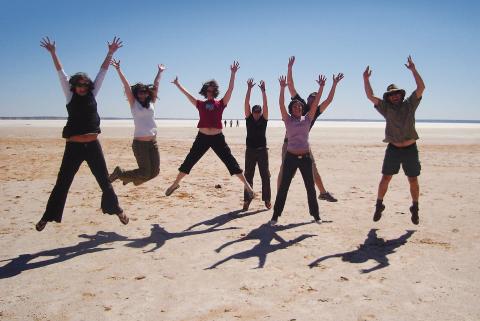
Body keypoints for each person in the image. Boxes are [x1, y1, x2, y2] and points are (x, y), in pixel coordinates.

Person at [35, 36, 128, 232]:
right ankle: (47, 216)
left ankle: (117, 209)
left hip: (93, 145)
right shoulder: (69, 95)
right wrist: (53, 53)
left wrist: (110, 52)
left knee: (104, 180)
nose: (82, 88)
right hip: (74, 147)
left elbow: (102, 72)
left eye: (85, 86)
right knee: (63, 182)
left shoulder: (93, 94)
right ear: (74, 86)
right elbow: (61, 73)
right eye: (79, 85)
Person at [164, 61, 255, 199]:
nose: (210, 92)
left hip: (218, 138)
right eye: (208, 90)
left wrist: (233, 74)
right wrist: (178, 85)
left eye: (213, 90)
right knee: (190, 160)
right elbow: (188, 95)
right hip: (202, 137)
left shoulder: (221, 103)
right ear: (205, 91)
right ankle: (175, 184)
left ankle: (248, 188)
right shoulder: (200, 104)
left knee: (231, 162)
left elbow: (230, 90)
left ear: (215, 91)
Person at [363, 56, 425, 225]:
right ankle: (379, 205)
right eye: (391, 95)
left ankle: (415, 207)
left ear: (400, 94)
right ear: (389, 97)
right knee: (386, 178)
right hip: (394, 149)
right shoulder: (386, 108)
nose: (394, 96)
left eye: (397, 93)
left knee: (413, 179)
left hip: (410, 148)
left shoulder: (410, 104)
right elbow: (370, 96)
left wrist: (413, 69)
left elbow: (421, 87)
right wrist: (366, 79)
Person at [277, 56, 343, 202]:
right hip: (289, 143)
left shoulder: (315, 112)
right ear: (307, 99)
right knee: (285, 171)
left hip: (304, 145)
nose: (314, 99)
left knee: (313, 168)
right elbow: (291, 85)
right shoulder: (299, 105)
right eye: (312, 97)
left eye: (316, 98)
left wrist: (334, 84)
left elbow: (329, 100)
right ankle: (279, 195)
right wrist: (289, 68)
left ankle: (323, 192)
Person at [270, 75, 326, 225]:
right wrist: (282, 88)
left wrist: (321, 87)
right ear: (291, 109)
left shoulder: (307, 118)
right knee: (284, 188)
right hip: (291, 158)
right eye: (295, 106)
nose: (298, 107)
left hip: (306, 158)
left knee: (310, 188)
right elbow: (281, 104)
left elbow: (315, 105)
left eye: (300, 106)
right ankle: (275, 216)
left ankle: (316, 215)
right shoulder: (287, 120)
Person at [108, 59, 164, 186]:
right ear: (136, 94)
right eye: (140, 93)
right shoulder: (134, 104)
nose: (143, 95)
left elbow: (156, 85)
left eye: (145, 92)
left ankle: (128, 178)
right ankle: (120, 173)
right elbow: (126, 86)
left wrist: (159, 72)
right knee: (145, 173)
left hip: (153, 143)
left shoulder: (151, 102)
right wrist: (118, 69)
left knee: (155, 172)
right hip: (140, 144)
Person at [242, 79, 271, 211]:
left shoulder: (264, 120)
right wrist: (249, 89)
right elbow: (246, 103)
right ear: (252, 112)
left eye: (259, 112)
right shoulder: (248, 119)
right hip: (250, 151)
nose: (257, 114)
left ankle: (267, 199)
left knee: (265, 175)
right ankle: (247, 200)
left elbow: (266, 105)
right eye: (255, 112)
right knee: (248, 175)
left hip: (262, 151)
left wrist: (263, 91)